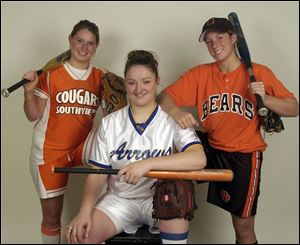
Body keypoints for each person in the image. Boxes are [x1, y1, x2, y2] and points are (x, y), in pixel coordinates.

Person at [157, 17, 299, 244]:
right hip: (211, 148)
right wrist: (176, 113)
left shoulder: (259, 72)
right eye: (209, 41)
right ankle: (150, 212)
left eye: (220, 38)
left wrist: (265, 98)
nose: (215, 45)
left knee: (242, 225)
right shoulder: (200, 74)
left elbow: (294, 108)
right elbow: (163, 97)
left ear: (234, 39)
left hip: (244, 155)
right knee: (168, 156)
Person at [66, 50, 207, 244]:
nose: (139, 88)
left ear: (157, 81)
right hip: (119, 200)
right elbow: (97, 174)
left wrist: (147, 164)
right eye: (132, 82)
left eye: (146, 82)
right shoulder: (110, 123)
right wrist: (84, 212)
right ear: (125, 84)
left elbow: (198, 159)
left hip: (159, 200)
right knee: (79, 237)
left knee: (177, 197)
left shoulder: (172, 119)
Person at [22, 20, 122, 244]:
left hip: (82, 145)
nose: (84, 47)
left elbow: (113, 116)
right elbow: (33, 114)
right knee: (51, 217)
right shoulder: (51, 74)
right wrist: (29, 93)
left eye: (91, 43)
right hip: (50, 151)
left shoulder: (100, 77)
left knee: (114, 148)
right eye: (80, 41)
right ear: (70, 40)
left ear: (96, 46)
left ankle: (121, 211)